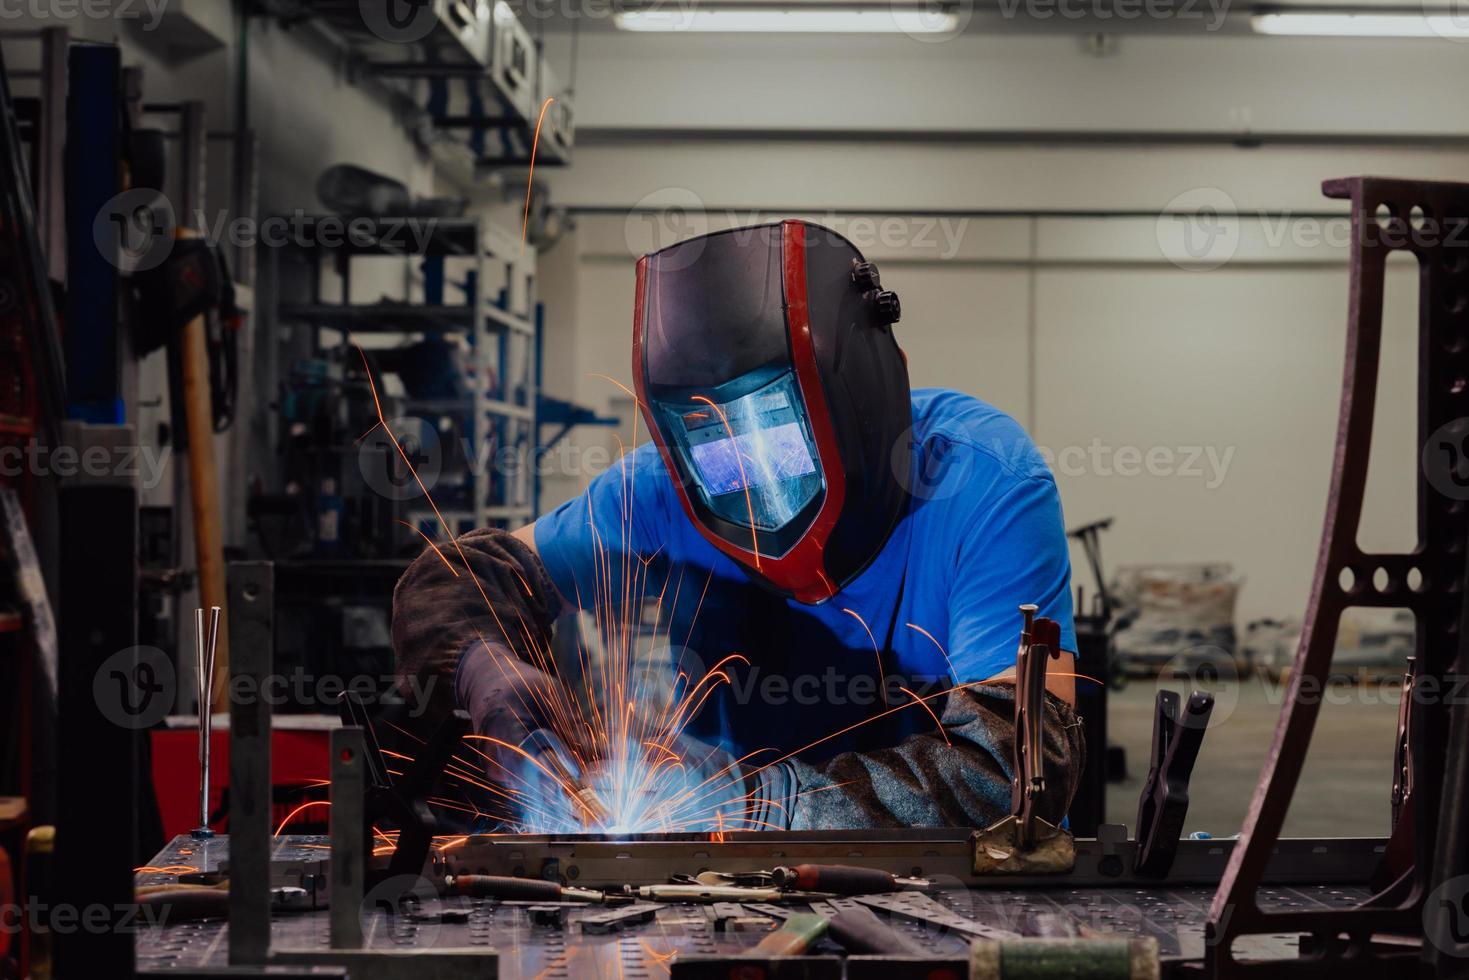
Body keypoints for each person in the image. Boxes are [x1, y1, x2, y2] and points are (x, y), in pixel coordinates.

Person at [391, 220, 1084, 832]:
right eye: (717, 450)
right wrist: (485, 669)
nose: (755, 481)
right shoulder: (662, 491)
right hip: (715, 878)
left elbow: (1018, 772)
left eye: (780, 439)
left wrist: (758, 807)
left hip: (940, 878)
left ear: (863, 406)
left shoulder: (981, 480)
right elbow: (460, 580)